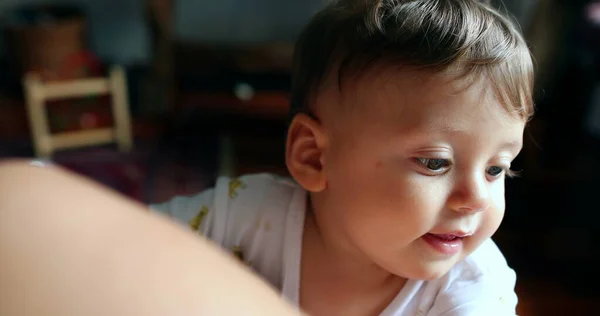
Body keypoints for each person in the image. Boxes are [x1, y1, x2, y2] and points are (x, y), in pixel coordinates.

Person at [0, 0, 533, 315]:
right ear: (314, 157)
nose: (475, 198)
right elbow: (129, 252)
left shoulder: (471, 291)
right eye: (436, 162)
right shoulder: (242, 215)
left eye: (497, 168)